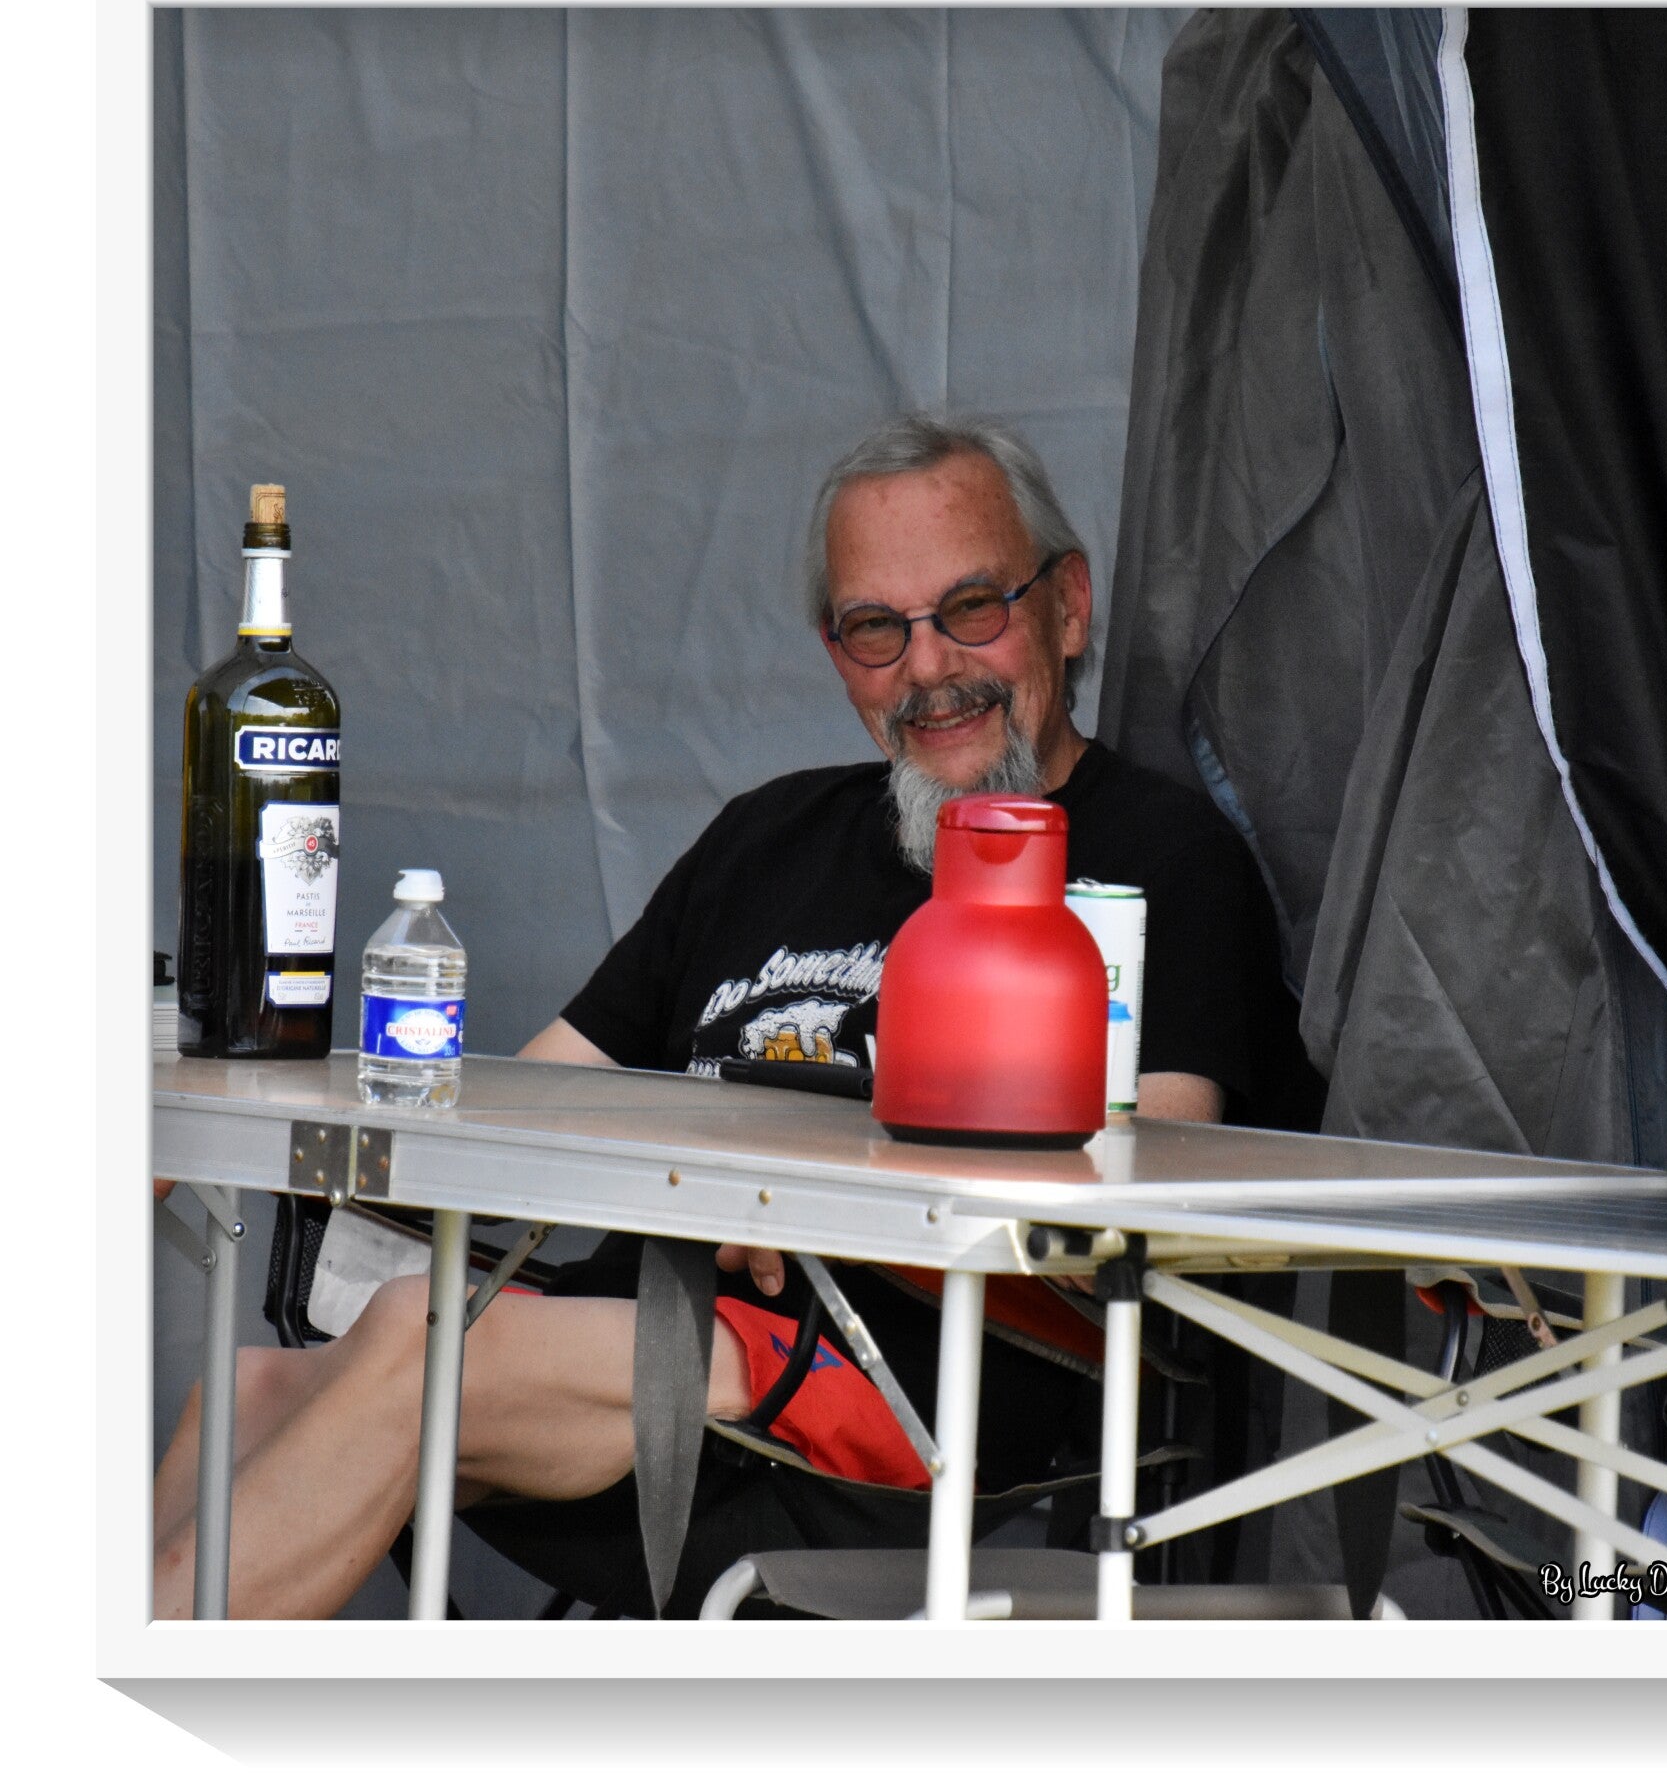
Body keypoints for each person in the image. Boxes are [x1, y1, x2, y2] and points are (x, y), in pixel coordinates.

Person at [152, 412, 1307, 1619]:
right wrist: (236, 1107)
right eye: (876, 628)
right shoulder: (768, 836)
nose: (927, 669)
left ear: (1067, 607)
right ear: (835, 653)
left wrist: (801, 1198)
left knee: (411, 1338)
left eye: (972, 609)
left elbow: (1147, 1187)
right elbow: (526, 1101)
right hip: (648, 1335)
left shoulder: (1160, 861)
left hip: (904, 1396)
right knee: (245, 1393)